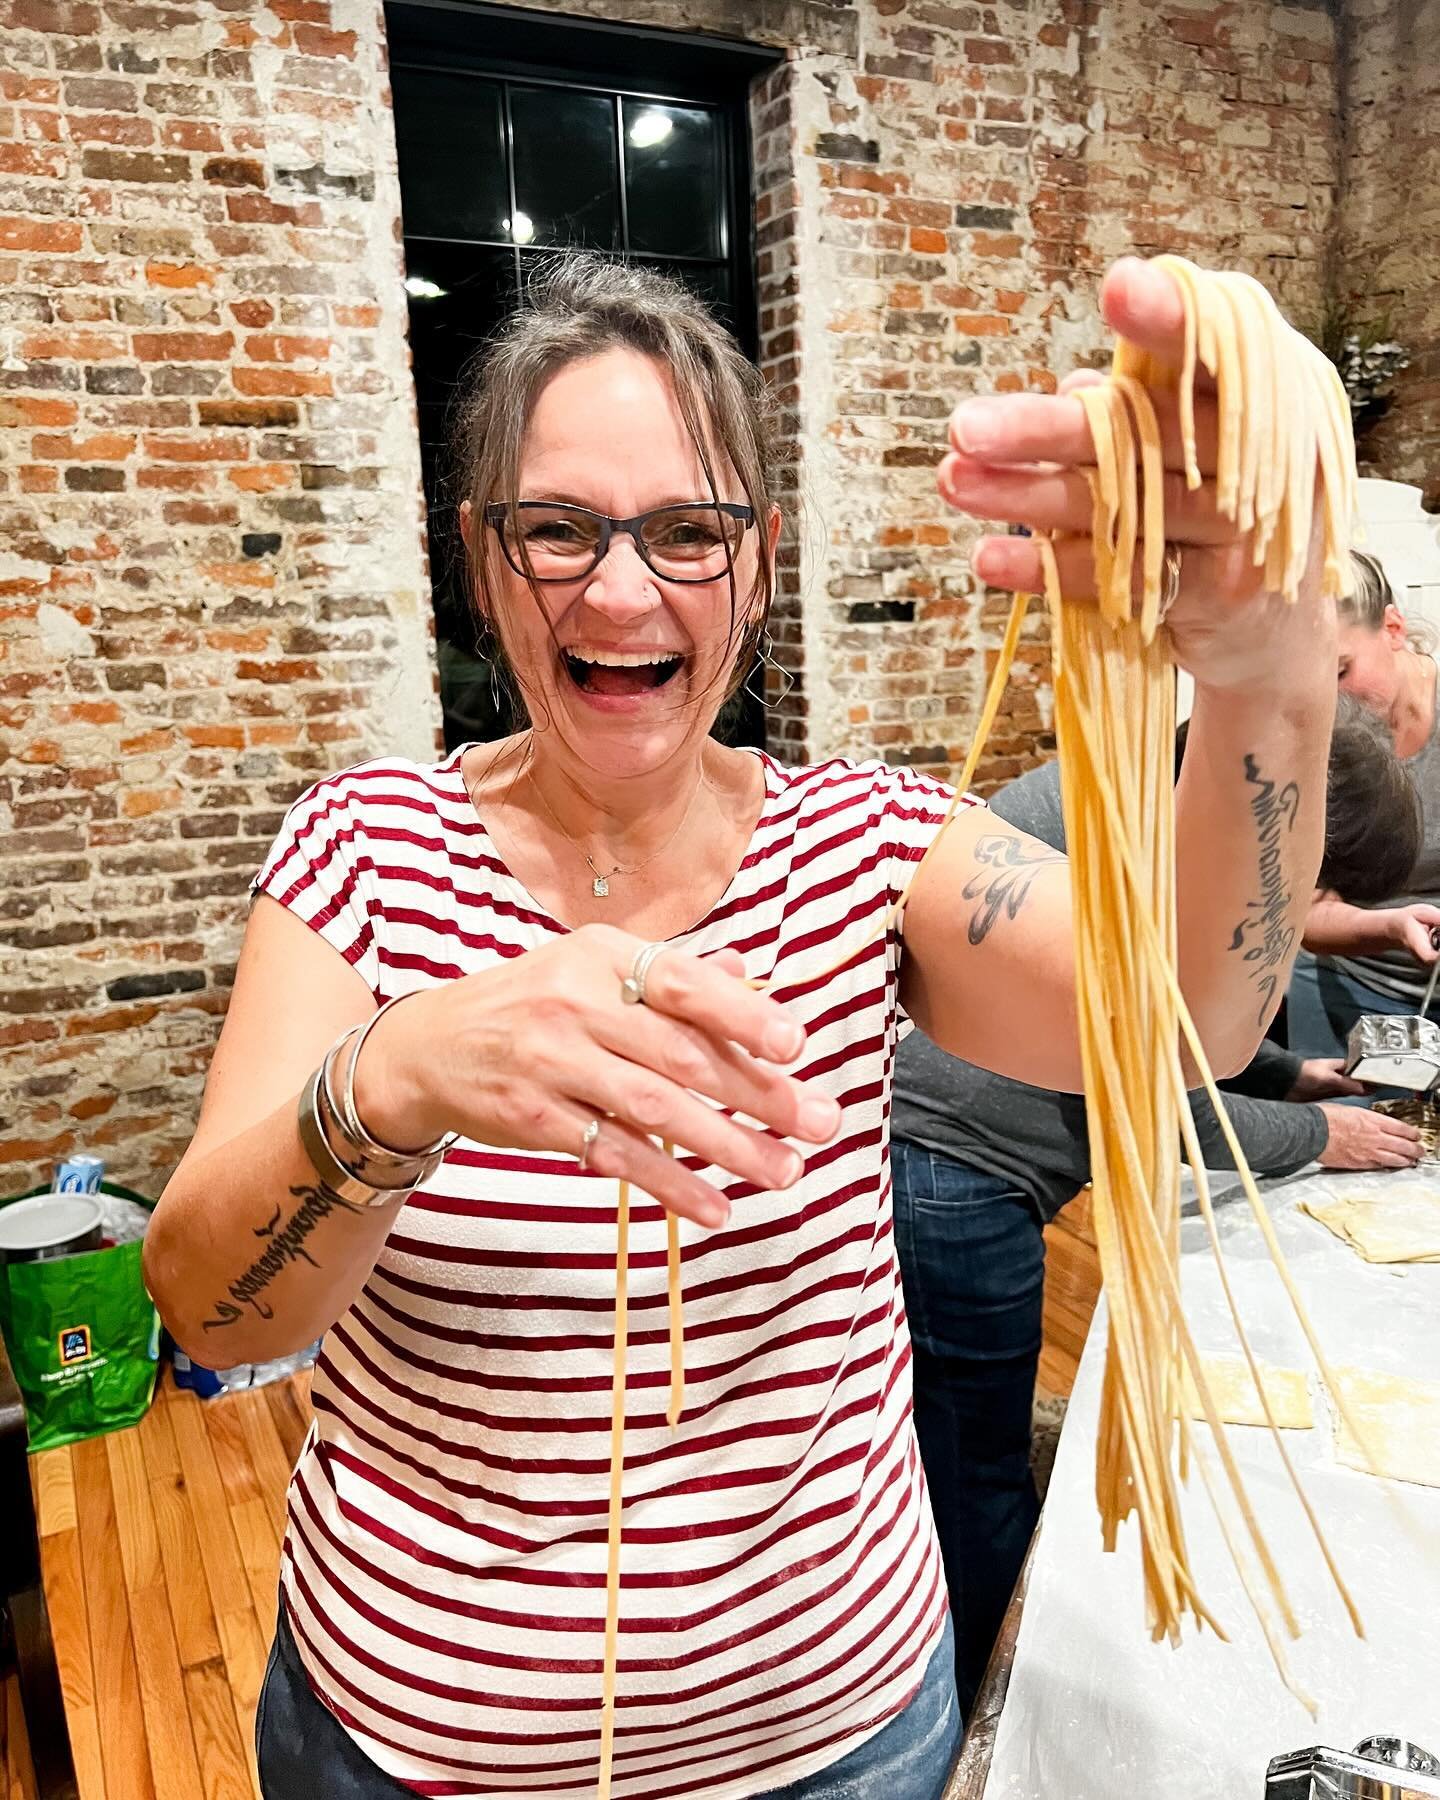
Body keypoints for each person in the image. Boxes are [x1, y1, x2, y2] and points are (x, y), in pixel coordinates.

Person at [143, 253, 1341, 1800]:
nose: (624, 593)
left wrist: (1269, 676)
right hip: (412, 1752)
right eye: (558, 528)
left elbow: (1186, 1013)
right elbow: (219, 1313)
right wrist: (396, 1078)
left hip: (835, 1744)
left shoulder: (870, 847)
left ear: (760, 562)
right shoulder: (363, 852)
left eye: (690, 534)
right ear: (483, 561)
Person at [890, 692, 1423, 1717]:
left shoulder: (1147, 805)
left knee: (973, 1451)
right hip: (952, 1171)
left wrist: (1284, 1076)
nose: (1309, 910)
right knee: (974, 1470)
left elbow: (1179, 1014)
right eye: (1312, 883)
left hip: (958, 1161)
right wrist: (1328, 1135)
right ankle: (988, 1710)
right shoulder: (1135, 858)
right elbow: (1151, 1099)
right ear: (1282, 837)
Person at [1291, 551, 1440, 1058]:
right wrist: (1393, 928)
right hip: (1349, 989)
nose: (1325, 701)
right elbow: (1307, 915)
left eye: (1340, 670)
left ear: (1393, 628)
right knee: (1347, 1132)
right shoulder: (1304, 744)